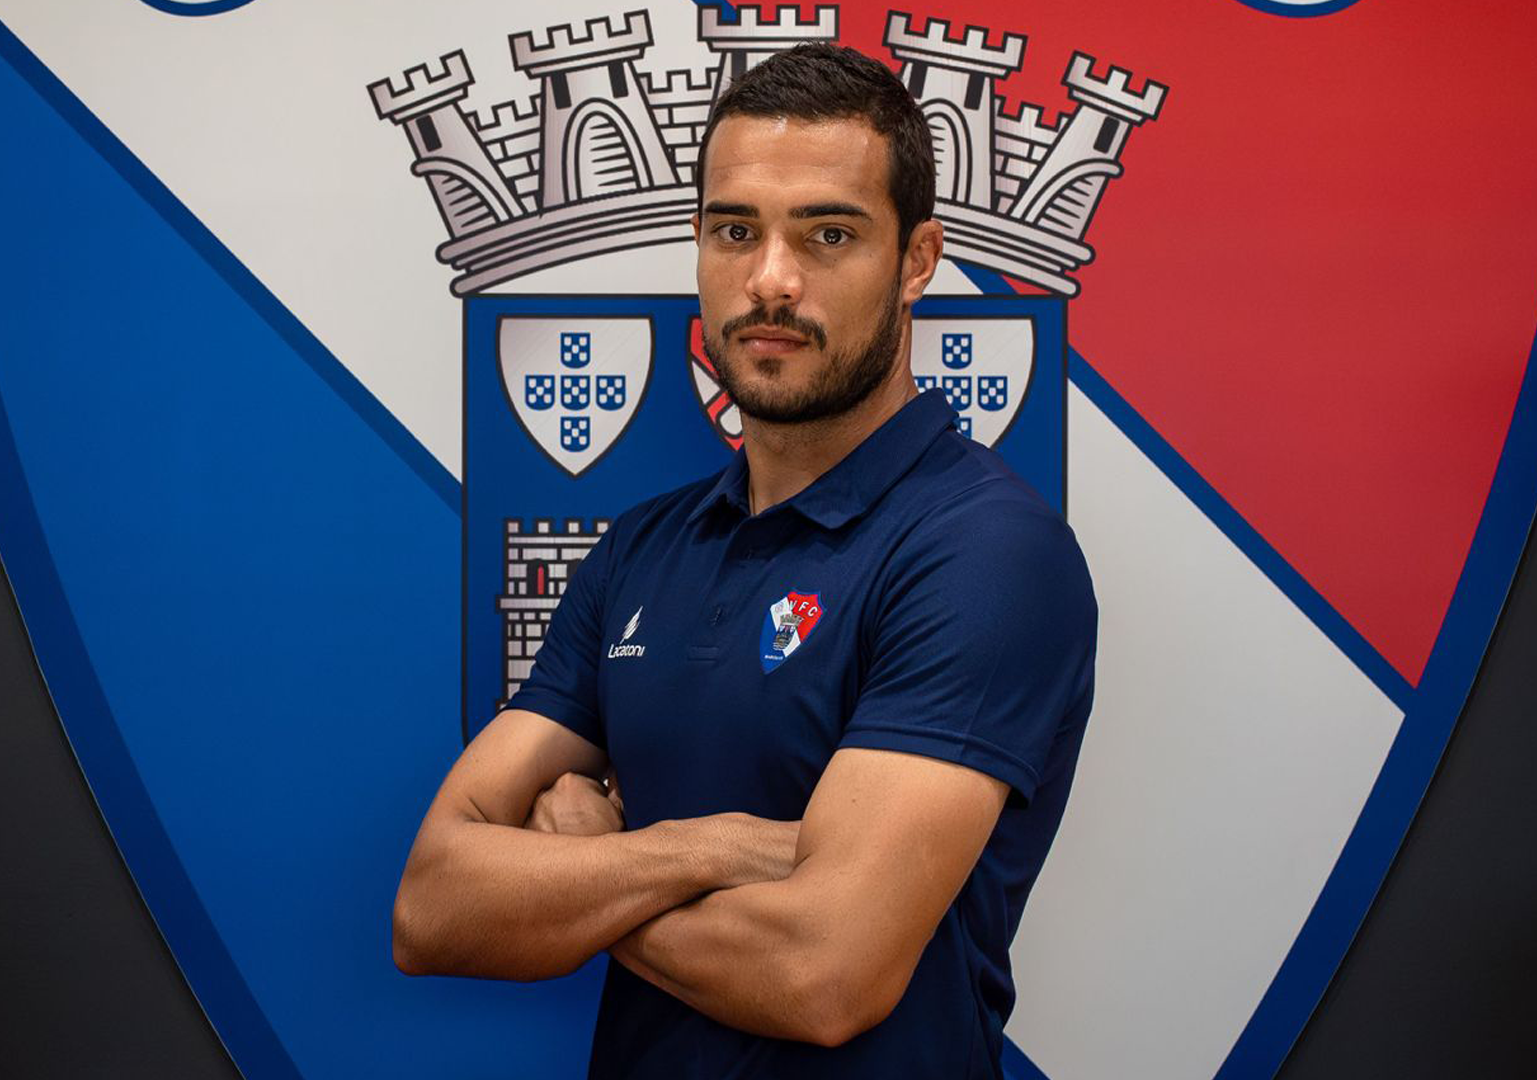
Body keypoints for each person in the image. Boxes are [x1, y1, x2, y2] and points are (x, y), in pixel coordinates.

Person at [393, 43, 1098, 1079]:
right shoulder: (641, 548)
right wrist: (709, 848)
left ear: (917, 260)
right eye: (735, 231)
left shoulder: (985, 551)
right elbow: (433, 906)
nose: (770, 280)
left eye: (828, 234)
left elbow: (823, 975)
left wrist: (584, 872)